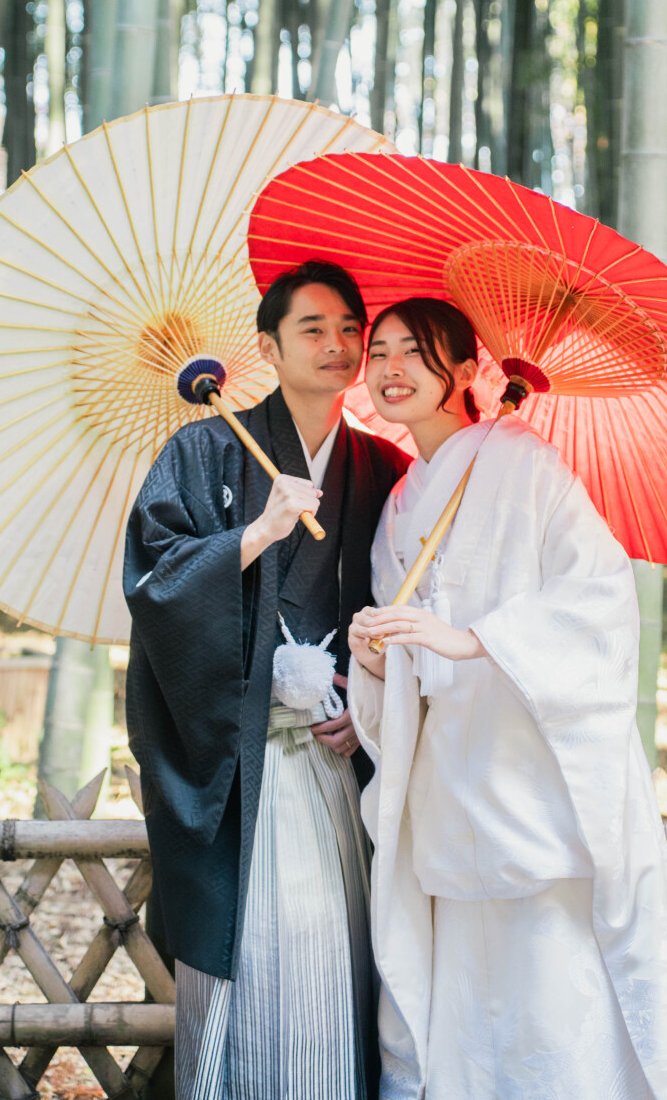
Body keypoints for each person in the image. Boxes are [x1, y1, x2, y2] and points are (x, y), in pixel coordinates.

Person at [348, 297, 667, 1100]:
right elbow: (408, 660)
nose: (391, 368)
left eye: (418, 351)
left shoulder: (523, 462)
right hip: (449, 786)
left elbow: (600, 596)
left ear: (471, 372)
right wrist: (375, 660)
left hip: (531, 776)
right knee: (469, 1004)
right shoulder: (401, 505)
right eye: (379, 352)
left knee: (552, 997)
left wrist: (476, 639)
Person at [123, 260, 410, 1100]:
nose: (339, 346)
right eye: (313, 329)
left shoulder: (384, 470)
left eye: (351, 330)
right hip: (241, 770)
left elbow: (406, 611)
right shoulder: (204, 447)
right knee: (254, 958)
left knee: (338, 959)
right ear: (267, 346)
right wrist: (254, 534)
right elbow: (156, 586)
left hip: (337, 764)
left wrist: (368, 708)